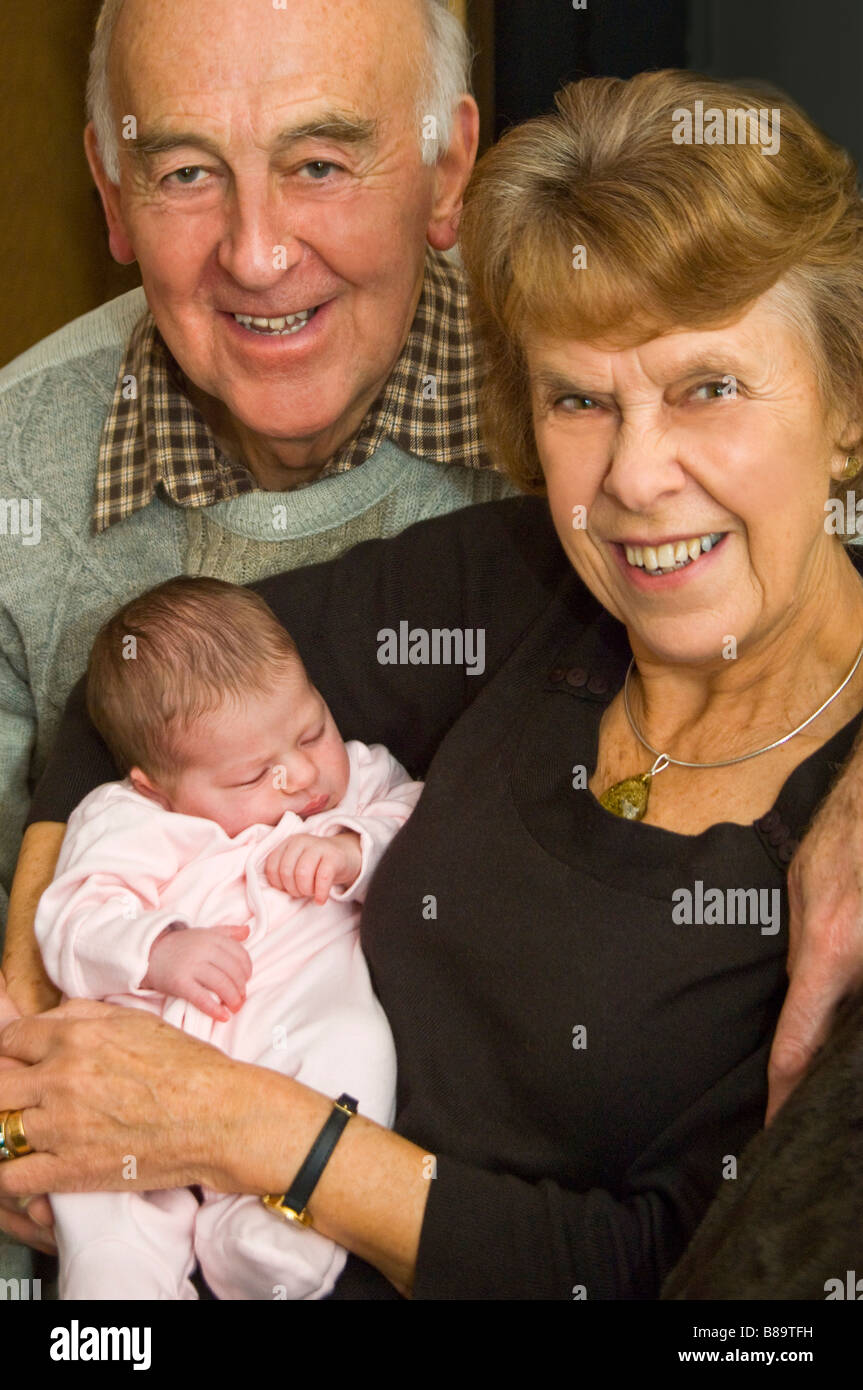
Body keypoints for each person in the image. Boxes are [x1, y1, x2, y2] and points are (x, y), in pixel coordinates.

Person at [3, 68, 863, 1300]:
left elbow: (674, 1279)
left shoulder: (834, 852)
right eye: (578, 398)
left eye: (705, 387)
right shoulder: (525, 591)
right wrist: (35, 1013)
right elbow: (149, 681)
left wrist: (249, 1130)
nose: (635, 476)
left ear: (843, 402)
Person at [0, 0, 510, 1003]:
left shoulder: (595, 408)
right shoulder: (14, 475)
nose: (257, 254)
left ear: (446, 170)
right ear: (112, 192)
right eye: (185, 173)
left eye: (318, 162)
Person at [34, 576, 421, 1299]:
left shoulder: (359, 781)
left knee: (356, 1050)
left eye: (311, 731)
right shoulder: (124, 818)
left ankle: (276, 1225)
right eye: (253, 775)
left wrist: (348, 845)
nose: (304, 773)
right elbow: (72, 921)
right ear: (154, 786)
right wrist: (157, 946)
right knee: (92, 1163)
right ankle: (117, 1269)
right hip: (143, 1042)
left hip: (299, 1010)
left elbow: (421, 814)